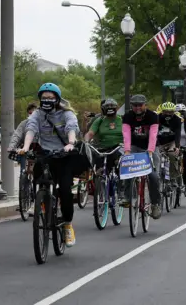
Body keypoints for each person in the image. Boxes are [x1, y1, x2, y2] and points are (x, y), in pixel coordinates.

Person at [17, 83, 90, 247]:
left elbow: (72, 127)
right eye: (44, 98)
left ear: (57, 99)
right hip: (46, 153)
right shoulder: (37, 114)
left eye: (50, 97)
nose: (47, 100)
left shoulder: (66, 113)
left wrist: (71, 143)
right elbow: (31, 129)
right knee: (38, 176)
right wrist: (25, 147)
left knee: (64, 189)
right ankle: (43, 203)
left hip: (65, 154)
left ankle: (67, 225)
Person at [121, 94, 162, 219]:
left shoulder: (153, 116)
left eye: (140, 105)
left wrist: (150, 151)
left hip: (151, 148)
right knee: (127, 168)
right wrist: (127, 151)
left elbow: (153, 134)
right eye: (135, 105)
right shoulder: (127, 117)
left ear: (145, 105)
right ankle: (127, 196)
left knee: (153, 176)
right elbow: (126, 134)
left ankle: (155, 204)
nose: (137, 108)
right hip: (134, 146)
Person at [84, 98, 123, 174]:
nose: (109, 108)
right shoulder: (100, 120)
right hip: (103, 149)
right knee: (99, 168)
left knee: (119, 164)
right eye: (107, 106)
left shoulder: (122, 119)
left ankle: (121, 183)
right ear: (103, 109)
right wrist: (86, 141)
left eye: (112, 106)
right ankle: (100, 181)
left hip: (119, 148)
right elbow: (90, 133)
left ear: (116, 108)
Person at [156, 102, 183, 192]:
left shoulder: (177, 120)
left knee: (172, 154)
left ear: (174, 112)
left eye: (170, 112)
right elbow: (154, 134)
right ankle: (158, 176)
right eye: (165, 112)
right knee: (157, 156)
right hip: (160, 142)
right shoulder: (157, 118)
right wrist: (157, 145)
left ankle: (173, 178)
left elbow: (178, 134)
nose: (168, 114)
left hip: (172, 141)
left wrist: (177, 147)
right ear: (162, 111)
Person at [8, 102, 39, 175]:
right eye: (30, 113)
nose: (32, 115)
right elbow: (17, 135)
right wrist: (11, 146)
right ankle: (23, 176)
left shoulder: (43, 124)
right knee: (23, 170)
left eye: (34, 113)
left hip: (39, 149)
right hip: (25, 149)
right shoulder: (24, 123)